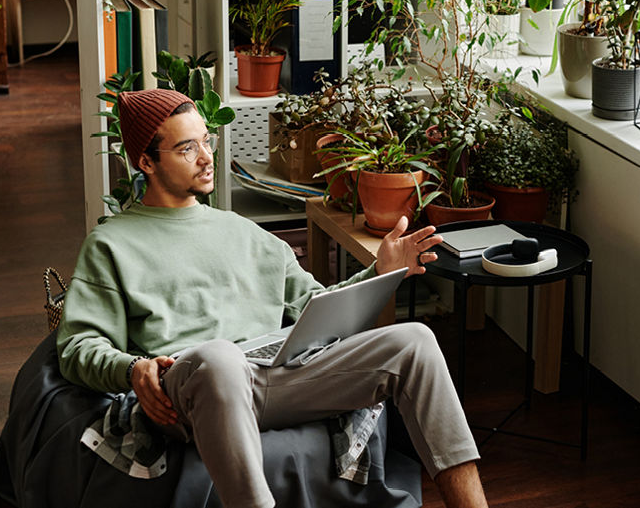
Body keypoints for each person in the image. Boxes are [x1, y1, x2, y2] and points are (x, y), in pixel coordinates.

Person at [56, 89, 488, 508]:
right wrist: (133, 368)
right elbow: (77, 346)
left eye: (207, 141)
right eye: (187, 148)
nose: (206, 157)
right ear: (146, 162)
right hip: (190, 389)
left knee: (415, 341)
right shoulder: (112, 244)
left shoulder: (246, 233)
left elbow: (317, 307)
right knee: (221, 358)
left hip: (276, 376)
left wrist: (380, 271)